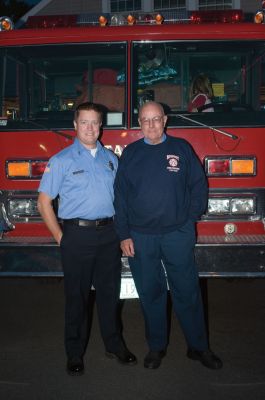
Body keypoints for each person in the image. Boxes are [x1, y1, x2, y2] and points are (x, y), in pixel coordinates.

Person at [114, 101, 222, 370]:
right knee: (151, 293)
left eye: (156, 119)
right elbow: (121, 197)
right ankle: (156, 347)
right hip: (141, 237)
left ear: (165, 121)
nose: (151, 125)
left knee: (187, 291)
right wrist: (124, 234)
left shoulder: (181, 149)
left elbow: (199, 185)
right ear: (139, 123)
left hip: (177, 234)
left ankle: (198, 347)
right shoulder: (130, 153)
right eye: (145, 120)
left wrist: (190, 219)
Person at [37, 102, 136, 376]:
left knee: (108, 294)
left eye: (95, 122)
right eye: (84, 122)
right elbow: (43, 203)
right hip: (76, 236)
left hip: (108, 235)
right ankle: (74, 352)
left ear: (101, 126)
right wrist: (61, 237)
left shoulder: (111, 160)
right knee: (76, 297)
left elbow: (121, 200)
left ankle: (114, 345)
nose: (90, 128)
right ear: (75, 125)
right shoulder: (61, 161)